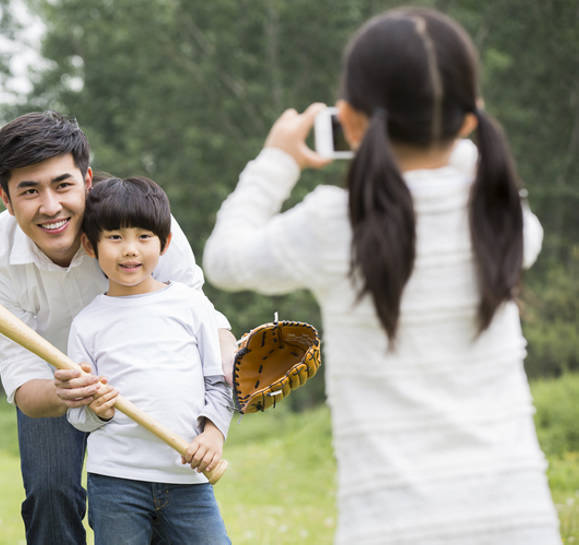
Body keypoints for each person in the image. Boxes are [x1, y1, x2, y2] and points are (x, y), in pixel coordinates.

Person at [203, 7, 561, 545]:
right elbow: (467, 168)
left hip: (390, 523)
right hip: (519, 518)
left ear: (348, 120)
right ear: (470, 119)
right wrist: (457, 132)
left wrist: (277, 160)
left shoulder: (335, 224)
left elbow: (225, 259)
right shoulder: (504, 216)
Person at [0, 111, 235, 545]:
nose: (50, 206)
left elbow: (199, 312)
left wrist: (234, 368)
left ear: (87, 180)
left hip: (150, 380)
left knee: (172, 499)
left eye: (63, 185)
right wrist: (67, 392)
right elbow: (23, 386)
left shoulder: (144, 225)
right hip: (58, 383)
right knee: (51, 494)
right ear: (5, 197)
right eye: (29, 191)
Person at [66, 176, 232, 545]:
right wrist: (100, 411)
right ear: (90, 246)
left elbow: (218, 383)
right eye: (115, 237)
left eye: (144, 237)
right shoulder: (86, 324)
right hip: (116, 482)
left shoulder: (190, 305)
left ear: (165, 243)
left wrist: (213, 433)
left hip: (188, 478)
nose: (130, 250)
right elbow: (78, 415)